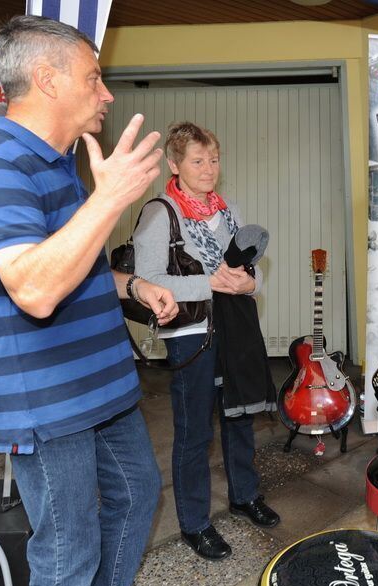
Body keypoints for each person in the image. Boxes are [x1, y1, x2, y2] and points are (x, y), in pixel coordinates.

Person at [0, 15, 179, 586]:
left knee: (135, 495)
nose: (106, 94)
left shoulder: (57, 165)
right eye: (94, 78)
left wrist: (131, 286)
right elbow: (36, 287)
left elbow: (74, 263)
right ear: (47, 79)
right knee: (67, 549)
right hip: (46, 402)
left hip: (101, 388)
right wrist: (109, 199)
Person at [133, 122, 279, 562]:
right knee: (194, 432)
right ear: (174, 164)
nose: (208, 168)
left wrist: (246, 285)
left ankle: (244, 495)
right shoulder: (159, 213)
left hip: (235, 330)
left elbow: (248, 274)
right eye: (197, 161)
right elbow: (146, 280)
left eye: (213, 159)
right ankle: (195, 523)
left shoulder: (228, 209)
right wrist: (211, 283)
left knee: (239, 419)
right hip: (190, 335)